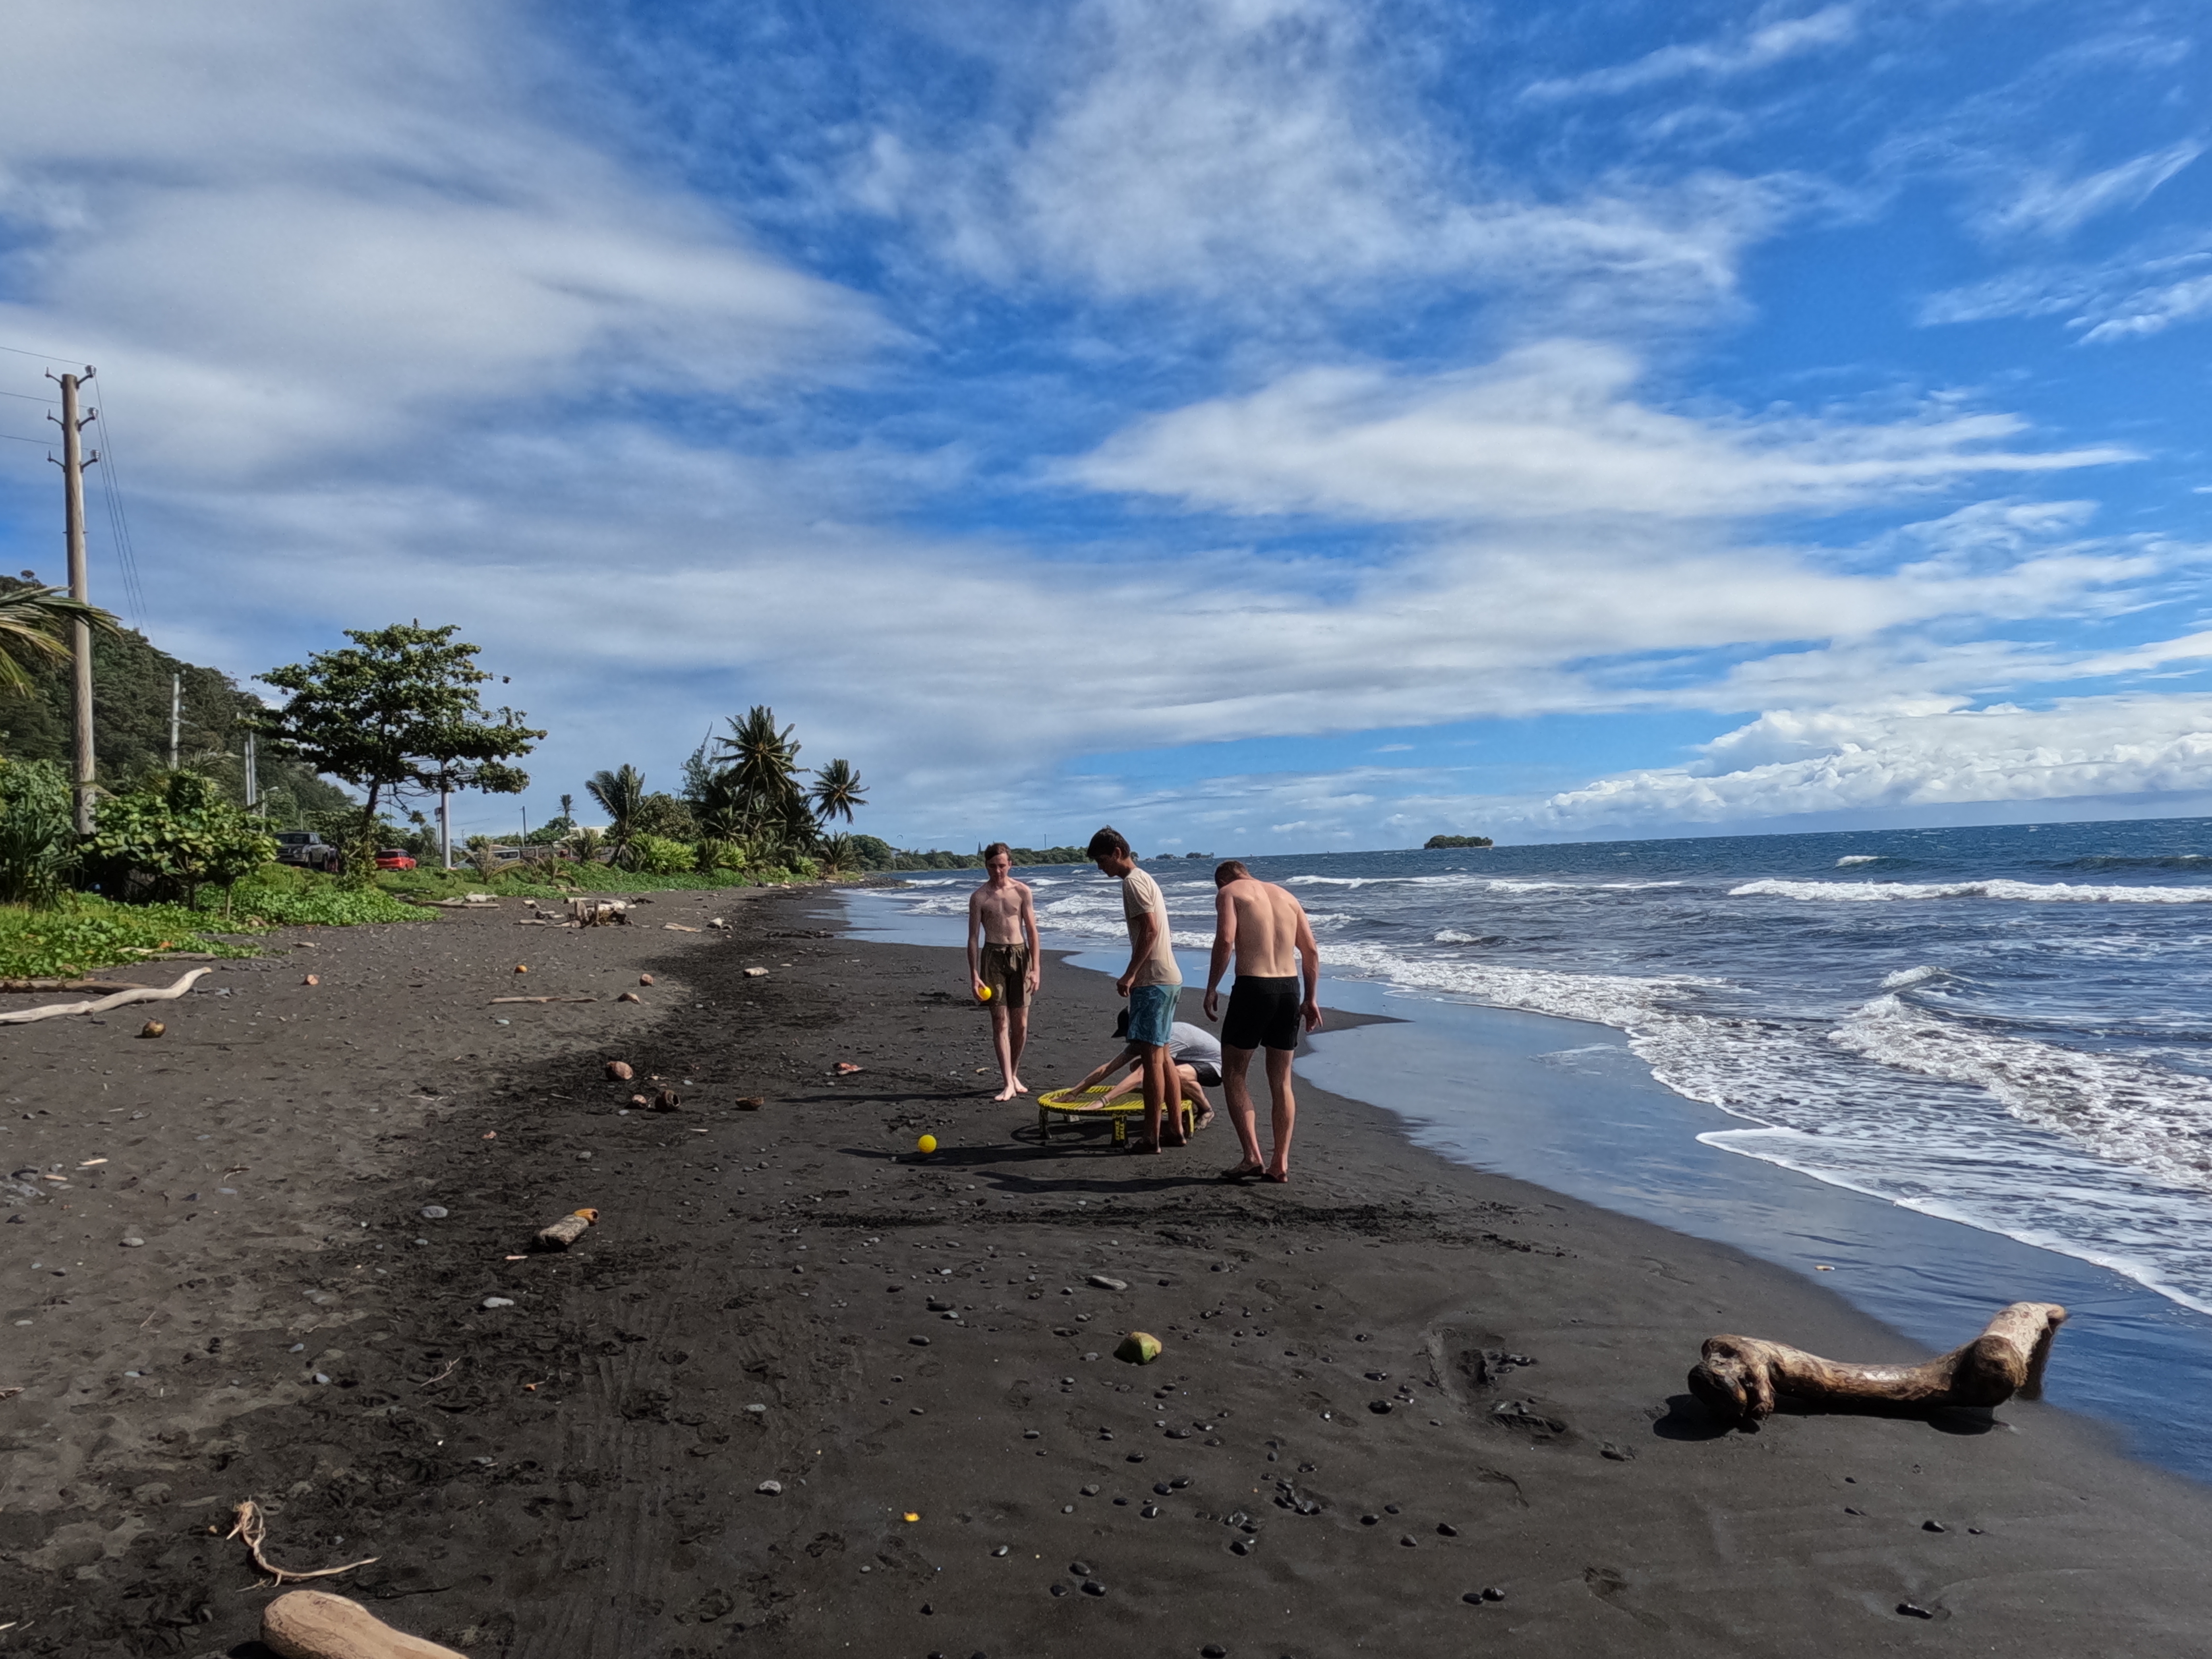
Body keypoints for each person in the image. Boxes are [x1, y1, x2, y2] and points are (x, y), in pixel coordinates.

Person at [1203, 859, 1321, 1183]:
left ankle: (1252, 1157)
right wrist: (1310, 998)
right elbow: (1310, 951)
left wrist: (1212, 986)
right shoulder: (1287, 897)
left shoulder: (1230, 892)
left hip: (1254, 988)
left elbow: (1226, 940)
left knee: (1234, 1073)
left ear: (1224, 878)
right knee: (1282, 1081)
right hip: (1288, 988)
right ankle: (1280, 1162)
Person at [1086, 825, 1185, 1151]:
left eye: (1102, 861)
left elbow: (1150, 931)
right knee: (1165, 1056)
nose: (1101, 869)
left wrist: (1130, 974)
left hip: (1153, 981)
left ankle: (1151, 1136)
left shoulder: (1132, 882)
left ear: (1117, 853)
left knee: (1152, 1060)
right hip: (1169, 978)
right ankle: (1176, 1129)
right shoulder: (1145, 879)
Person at [966, 842, 1041, 1100]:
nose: (998, 871)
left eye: (1002, 865)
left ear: (1010, 864)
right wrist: (974, 974)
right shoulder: (979, 897)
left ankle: (1014, 1073)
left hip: (1020, 956)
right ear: (986, 866)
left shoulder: (1022, 892)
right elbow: (973, 937)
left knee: (1020, 1024)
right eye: (992, 866)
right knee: (1000, 1021)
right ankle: (1008, 1081)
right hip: (993, 957)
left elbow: (1032, 931)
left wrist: (1036, 969)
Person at [1069, 1011, 1220, 1127]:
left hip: (1216, 1067)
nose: (1129, 1041)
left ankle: (1206, 1110)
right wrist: (1074, 1092)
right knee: (1138, 1065)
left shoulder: (1167, 1037)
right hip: (1192, 1061)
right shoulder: (1143, 1039)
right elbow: (1109, 1068)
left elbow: (1140, 1076)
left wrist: (1103, 1101)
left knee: (1175, 1074)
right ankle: (1188, 1106)